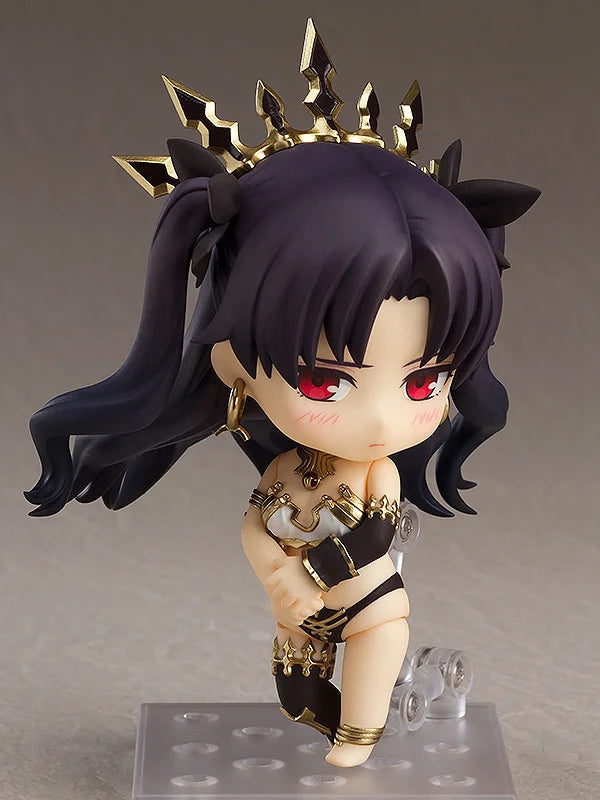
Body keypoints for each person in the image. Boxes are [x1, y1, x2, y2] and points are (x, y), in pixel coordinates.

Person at [24, 18, 540, 767]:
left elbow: (375, 536)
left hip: (365, 602)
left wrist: (310, 576)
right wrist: (279, 578)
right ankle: (334, 725)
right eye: (325, 380)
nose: (382, 418)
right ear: (233, 362)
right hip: (298, 607)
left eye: (425, 380)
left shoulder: (376, 473)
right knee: (296, 694)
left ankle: (358, 739)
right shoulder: (286, 468)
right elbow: (256, 526)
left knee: (375, 652)